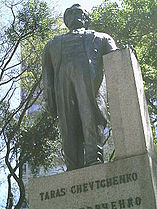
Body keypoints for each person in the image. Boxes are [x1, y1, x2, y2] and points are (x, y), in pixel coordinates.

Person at [42, 4, 117, 171]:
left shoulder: (101, 37)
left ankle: (94, 158)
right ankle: (73, 164)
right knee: (67, 123)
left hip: (89, 84)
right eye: (70, 14)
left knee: (89, 116)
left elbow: (117, 57)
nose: (74, 16)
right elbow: (46, 75)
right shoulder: (52, 44)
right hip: (63, 85)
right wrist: (49, 99)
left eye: (79, 13)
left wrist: (126, 54)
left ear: (86, 19)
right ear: (66, 21)